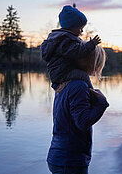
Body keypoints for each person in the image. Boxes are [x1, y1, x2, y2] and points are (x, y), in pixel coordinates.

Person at [47, 45, 109, 174]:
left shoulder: (64, 83)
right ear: (93, 63)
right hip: (70, 161)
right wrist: (101, 104)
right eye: (99, 62)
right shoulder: (78, 86)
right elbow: (82, 122)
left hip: (61, 157)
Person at [41, 4, 101, 89]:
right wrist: (91, 44)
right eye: (80, 28)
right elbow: (77, 52)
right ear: (71, 27)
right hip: (62, 73)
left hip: (59, 72)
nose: (82, 31)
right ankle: (92, 92)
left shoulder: (60, 38)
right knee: (83, 76)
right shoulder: (65, 40)